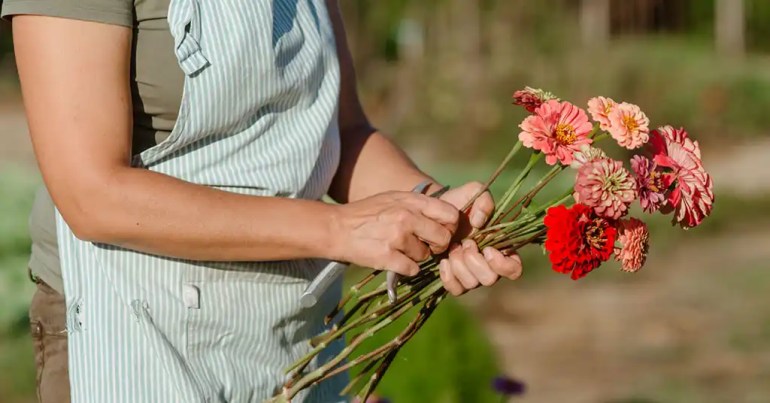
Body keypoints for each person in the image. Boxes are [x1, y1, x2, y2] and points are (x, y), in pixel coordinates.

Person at [2, 0, 524, 402]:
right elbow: (93, 195)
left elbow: (341, 134)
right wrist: (338, 229)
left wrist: (433, 209)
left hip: (294, 333)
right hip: (135, 328)